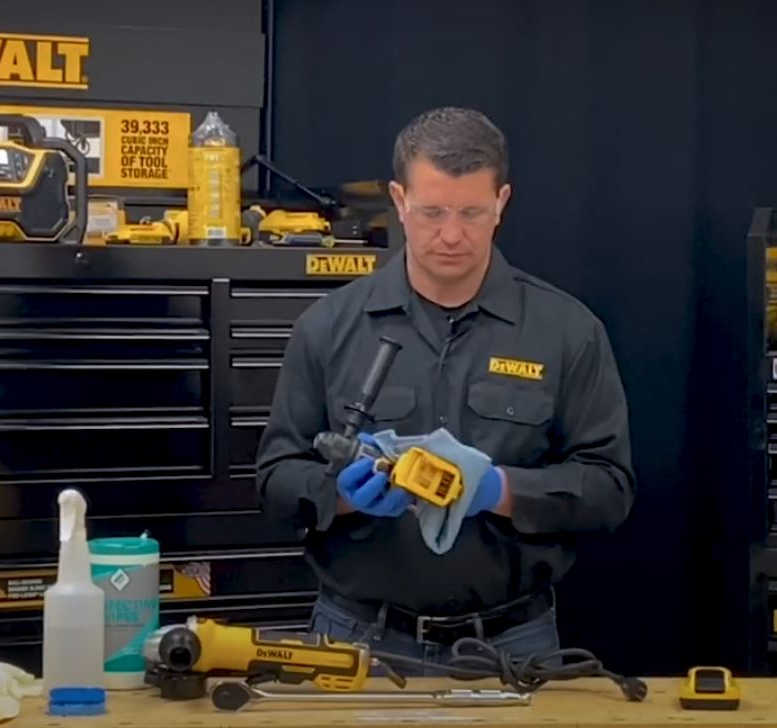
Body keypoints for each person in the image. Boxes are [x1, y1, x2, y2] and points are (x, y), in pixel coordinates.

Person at [254, 107, 635, 675]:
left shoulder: (568, 332)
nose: (452, 235)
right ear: (399, 200)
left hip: (512, 645)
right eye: (432, 212)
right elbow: (274, 482)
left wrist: (500, 490)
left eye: (472, 213)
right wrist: (344, 495)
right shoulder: (328, 328)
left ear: (501, 202)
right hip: (358, 641)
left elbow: (610, 490)